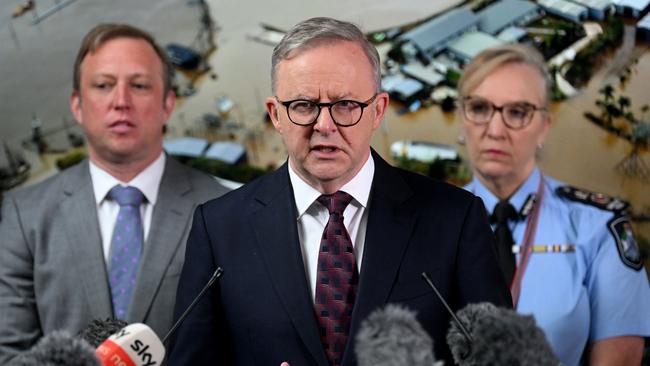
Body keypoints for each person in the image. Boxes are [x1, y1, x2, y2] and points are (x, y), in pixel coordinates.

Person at [168, 17, 511, 366]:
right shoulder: (219, 228)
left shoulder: (455, 219)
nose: (324, 125)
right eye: (304, 105)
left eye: (346, 105)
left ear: (378, 111)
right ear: (276, 115)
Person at [0, 23, 229, 363]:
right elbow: (7, 353)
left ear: (168, 104)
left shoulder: (223, 209)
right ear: (77, 105)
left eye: (139, 85)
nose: (121, 102)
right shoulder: (23, 214)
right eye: (104, 85)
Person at [460, 44, 650, 366]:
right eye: (480, 108)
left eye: (517, 113)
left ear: (545, 127)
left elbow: (621, 355)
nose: (494, 130)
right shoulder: (426, 223)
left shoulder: (597, 227)